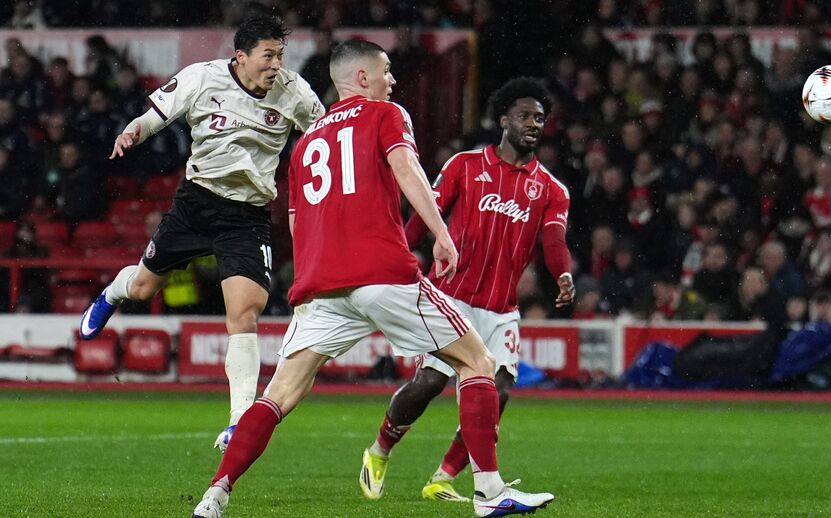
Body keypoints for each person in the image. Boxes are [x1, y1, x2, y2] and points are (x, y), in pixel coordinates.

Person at [190, 40, 554, 518]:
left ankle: (214, 496)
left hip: (323, 286)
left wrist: (304, 287)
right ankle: (488, 494)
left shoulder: (305, 144)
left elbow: (298, 223)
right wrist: (442, 236)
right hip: (381, 273)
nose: (393, 81)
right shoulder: (386, 114)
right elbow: (405, 167)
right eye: (386, 71)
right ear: (362, 78)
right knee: (478, 362)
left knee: (277, 395)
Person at [78, 14, 324, 451]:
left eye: (280, 56)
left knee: (245, 312)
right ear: (241, 57)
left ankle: (239, 419)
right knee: (142, 288)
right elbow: (156, 115)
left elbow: (327, 137)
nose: (276, 65)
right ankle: (113, 292)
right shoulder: (203, 78)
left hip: (246, 215)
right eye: (268, 56)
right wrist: (134, 130)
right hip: (196, 203)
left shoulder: (296, 93)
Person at [359, 77, 574, 503]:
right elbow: (426, 215)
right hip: (450, 298)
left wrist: (562, 274)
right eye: (526, 116)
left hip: (501, 308)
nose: (534, 124)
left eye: (540, 119)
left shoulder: (550, 189)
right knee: (429, 383)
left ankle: (444, 477)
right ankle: (379, 450)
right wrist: (397, 252)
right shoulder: (464, 166)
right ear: (503, 119)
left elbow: (553, 240)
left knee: (501, 390)